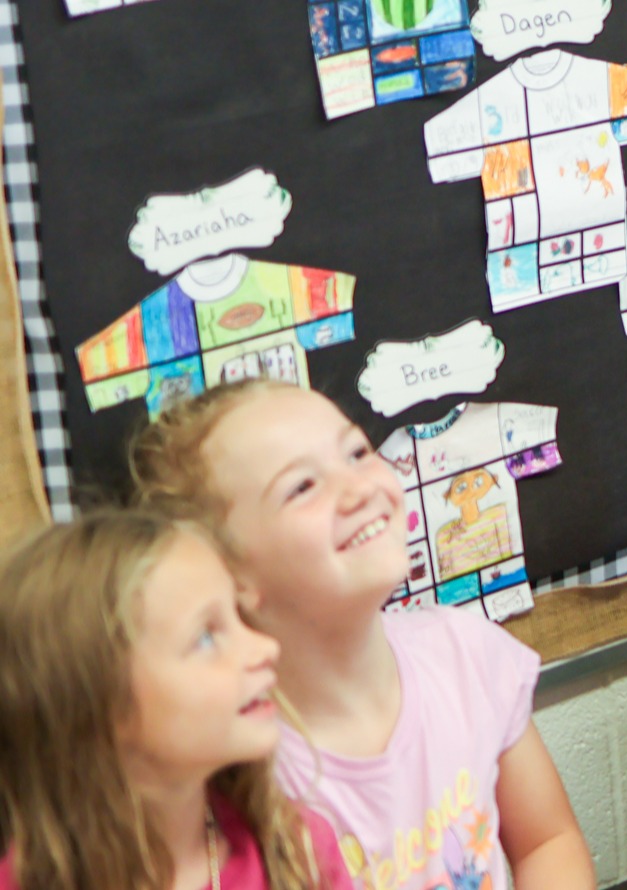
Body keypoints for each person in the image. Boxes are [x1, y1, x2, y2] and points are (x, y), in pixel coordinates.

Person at [130, 380, 595, 890]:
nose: (357, 488)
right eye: (302, 487)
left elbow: (548, 842)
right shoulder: (239, 757)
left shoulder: (465, 653)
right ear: (230, 572)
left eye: (355, 452)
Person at [0, 511, 353, 889]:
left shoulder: (300, 853)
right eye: (206, 637)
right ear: (98, 705)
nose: (266, 648)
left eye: (239, 615)